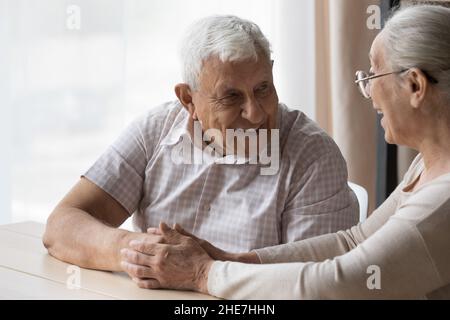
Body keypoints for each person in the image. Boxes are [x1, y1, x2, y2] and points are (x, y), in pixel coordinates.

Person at [119, 5, 450, 299]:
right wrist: (232, 261)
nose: (367, 89)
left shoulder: (444, 198)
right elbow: (353, 241)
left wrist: (202, 273)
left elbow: (342, 284)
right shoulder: (428, 164)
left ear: (416, 86)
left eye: (374, 73)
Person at [43, 15, 358, 276]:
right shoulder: (155, 130)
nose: (257, 112)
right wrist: (148, 254)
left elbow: (314, 283)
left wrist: (194, 272)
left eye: (263, 88)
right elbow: (61, 226)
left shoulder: (314, 157)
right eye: (231, 96)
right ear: (188, 99)